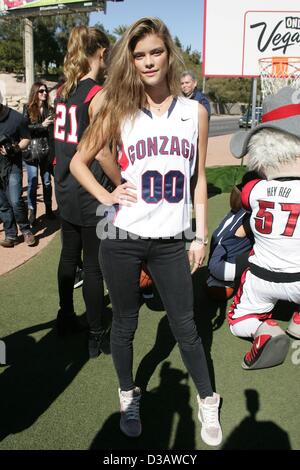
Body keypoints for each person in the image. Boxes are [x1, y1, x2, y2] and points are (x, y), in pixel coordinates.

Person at [70, 17, 222, 446]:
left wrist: (201, 235)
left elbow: (199, 179)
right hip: (122, 238)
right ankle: (127, 394)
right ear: (130, 62)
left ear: (169, 53)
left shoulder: (195, 112)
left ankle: (207, 397)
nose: (148, 61)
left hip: (173, 241)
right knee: (125, 325)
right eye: (139, 55)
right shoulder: (118, 109)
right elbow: (81, 161)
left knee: (186, 326)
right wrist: (108, 194)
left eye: (155, 51)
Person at [53, 26, 118, 359]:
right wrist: (120, 183)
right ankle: (96, 334)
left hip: (63, 184)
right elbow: (103, 152)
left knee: (68, 256)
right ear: (102, 53)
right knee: (92, 266)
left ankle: (64, 316)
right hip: (88, 188)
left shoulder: (63, 90)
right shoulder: (98, 94)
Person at [229, 86, 300, 370]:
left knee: (239, 321)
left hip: (260, 278)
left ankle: (264, 331)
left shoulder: (254, 189)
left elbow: (237, 202)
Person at [206, 172, 258, 301]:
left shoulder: (235, 211)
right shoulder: (249, 217)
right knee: (267, 252)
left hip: (214, 263)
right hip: (225, 269)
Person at [0, 102, 35, 247]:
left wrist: (14, 148)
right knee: (2, 204)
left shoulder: (16, 118)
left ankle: (26, 230)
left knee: (15, 200)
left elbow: (26, 138)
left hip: (12, 165)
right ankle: (11, 235)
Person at [23, 82, 55, 225]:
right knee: (33, 181)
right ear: (35, 93)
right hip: (31, 152)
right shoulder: (27, 108)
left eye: (45, 91)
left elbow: (53, 130)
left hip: (46, 151)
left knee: (47, 182)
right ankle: (32, 212)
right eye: (41, 91)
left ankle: (48, 209)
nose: (44, 93)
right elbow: (24, 129)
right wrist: (41, 126)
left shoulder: (50, 109)